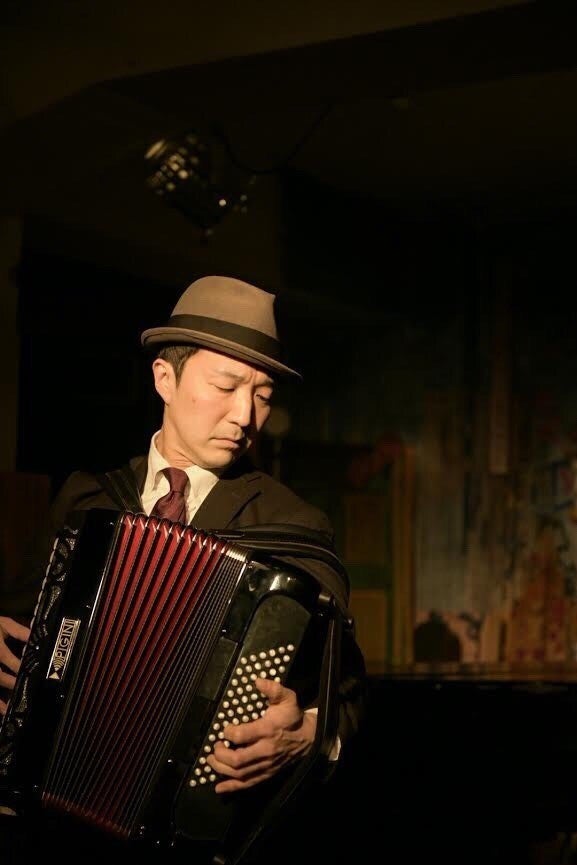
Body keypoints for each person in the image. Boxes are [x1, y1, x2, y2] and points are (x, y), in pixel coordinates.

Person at [0, 275, 366, 864]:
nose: (245, 415)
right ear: (164, 379)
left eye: (263, 395)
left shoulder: (294, 526)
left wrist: (309, 734)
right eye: (225, 386)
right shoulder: (87, 499)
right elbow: (19, 629)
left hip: (193, 842)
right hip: (55, 837)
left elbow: (347, 700)